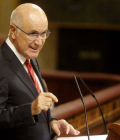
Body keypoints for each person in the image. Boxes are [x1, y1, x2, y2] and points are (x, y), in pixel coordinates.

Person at [0, 3, 80, 140]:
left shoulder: (29, 58)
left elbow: (35, 105)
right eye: (33, 34)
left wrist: (51, 121)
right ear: (13, 31)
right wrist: (30, 109)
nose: (39, 42)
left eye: (44, 34)